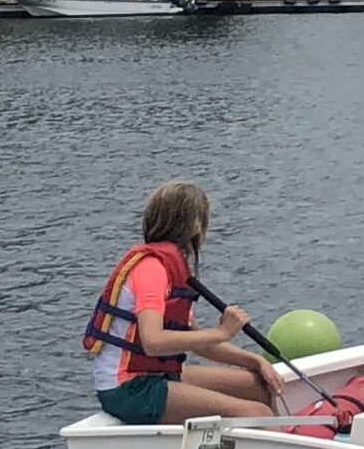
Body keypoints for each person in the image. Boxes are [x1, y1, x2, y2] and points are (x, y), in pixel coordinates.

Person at [82, 180, 282, 425]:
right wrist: (221, 332)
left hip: (155, 376)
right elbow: (153, 342)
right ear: (195, 225)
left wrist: (255, 361)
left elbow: (201, 345)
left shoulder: (171, 268)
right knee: (256, 414)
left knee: (259, 387)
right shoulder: (152, 269)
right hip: (129, 387)